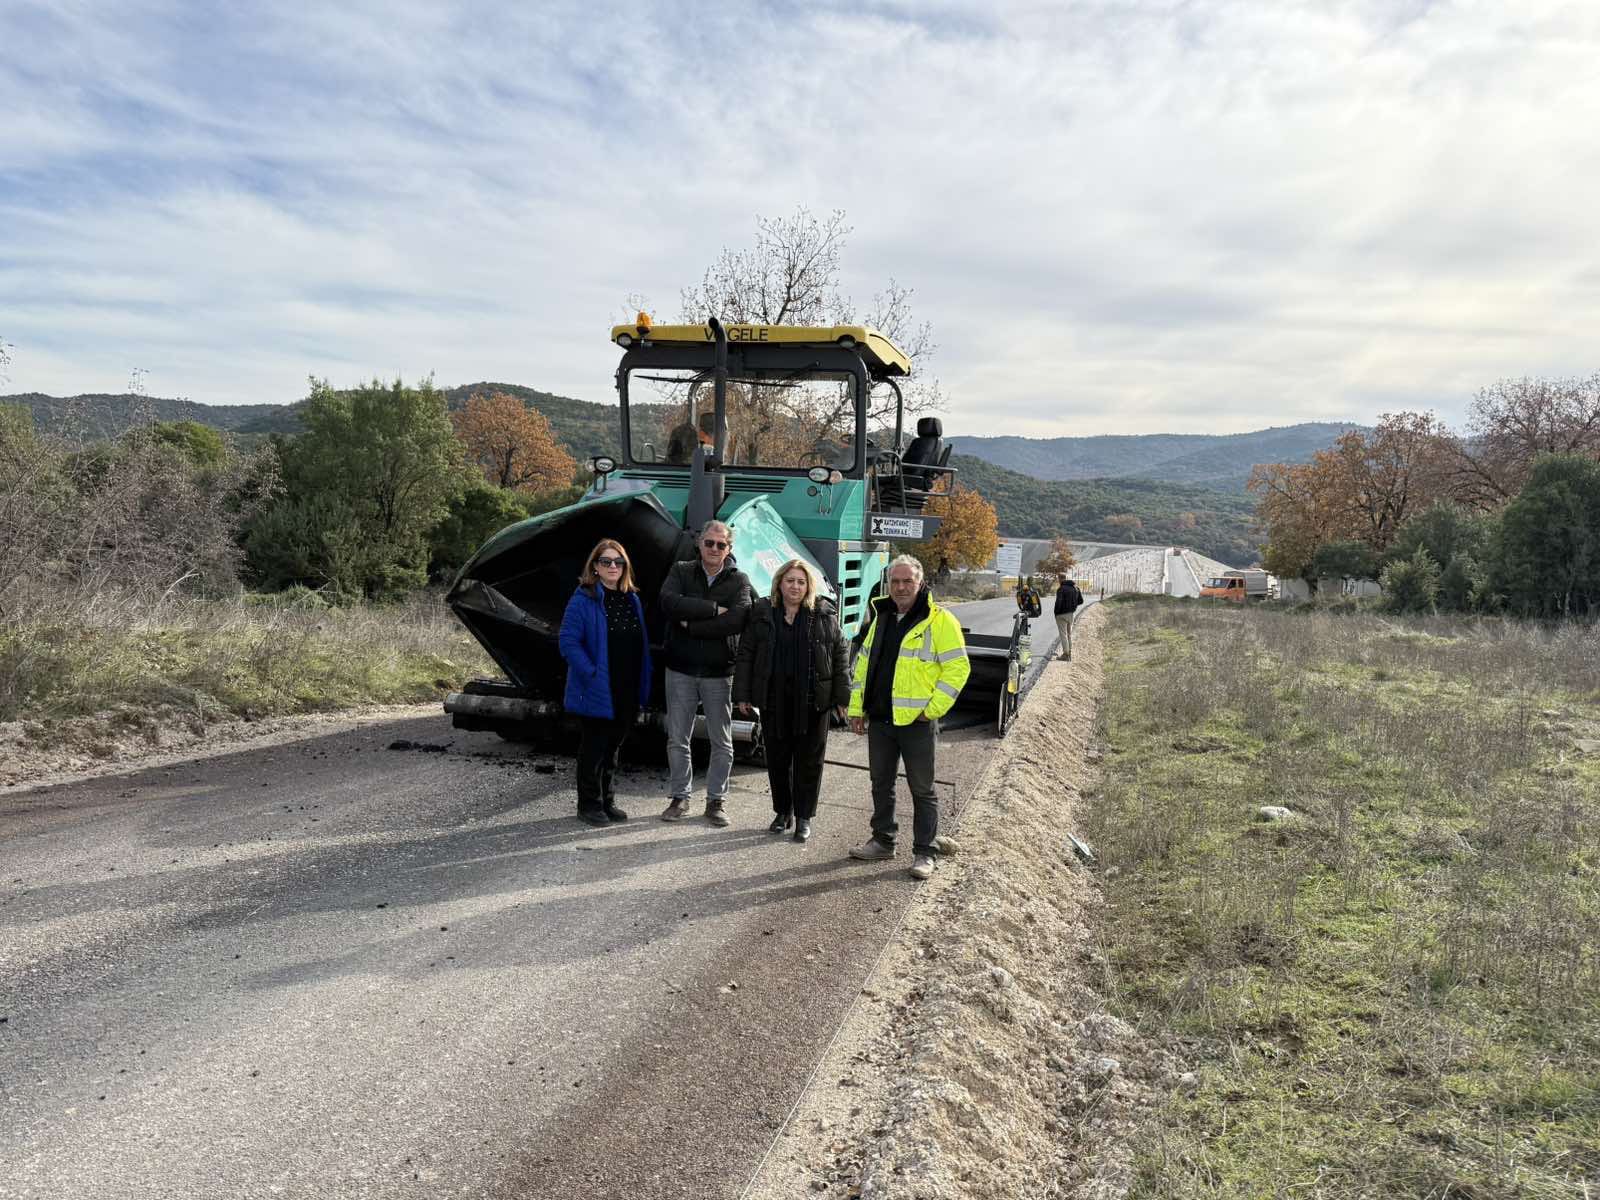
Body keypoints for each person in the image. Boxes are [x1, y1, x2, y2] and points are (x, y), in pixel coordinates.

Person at [846, 555, 970, 880]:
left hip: (917, 722)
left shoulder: (939, 620)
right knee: (880, 783)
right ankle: (883, 841)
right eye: (895, 581)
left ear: (920, 582)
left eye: (907, 581)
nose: (901, 587)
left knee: (922, 789)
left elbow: (958, 668)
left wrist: (932, 709)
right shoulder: (882, 617)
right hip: (881, 720)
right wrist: (857, 709)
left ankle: (925, 852)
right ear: (889, 584)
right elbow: (863, 666)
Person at [733, 560, 849, 843]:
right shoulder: (763, 614)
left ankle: (804, 818)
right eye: (790, 581)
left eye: (801, 582)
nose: (795, 587)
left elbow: (840, 657)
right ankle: (783, 812)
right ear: (779, 584)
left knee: (810, 763)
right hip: (774, 702)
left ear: (808, 586)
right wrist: (743, 694)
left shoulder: (823, 615)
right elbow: (746, 653)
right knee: (777, 761)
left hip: (813, 703)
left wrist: (842, 698)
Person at [658, 519, 752, 825]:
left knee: (721, 741)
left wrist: (691, 624)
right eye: (709, 543)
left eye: (720, 544)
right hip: (680, 669)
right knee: (677, 738)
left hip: (719, 672)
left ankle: (716, 801)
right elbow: (669, 603)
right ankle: (680, 797)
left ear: (729, 548)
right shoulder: (681, 571)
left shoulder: (739, 580)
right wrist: (713, 609)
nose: (714, 548)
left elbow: (737, 620)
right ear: (699, 544)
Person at [557, 539, 653, 827]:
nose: (613, 566)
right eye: (606, 561)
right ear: (595, 567)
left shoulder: (631, 599)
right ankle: (589, 805)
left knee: (613, 748)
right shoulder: (583, 599)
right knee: (594, 748)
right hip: (598, 686)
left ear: (625, 567)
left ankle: (607, 801)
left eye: (618, 562)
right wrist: (591, 672)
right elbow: (568, 642)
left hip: (627, 685)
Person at [1054, 574, 1084, 661]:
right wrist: (1073, 606)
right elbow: (1081, 601)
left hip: (1061, 615)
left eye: (1058, 579)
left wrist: (1056, 613)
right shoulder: (1076, 588)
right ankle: (1069, 653)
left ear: (1060, 579)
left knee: (1063, 634)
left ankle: (1065, 655)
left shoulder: (1061, 589)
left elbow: (1058, 603)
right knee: (1069, 634)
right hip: (1071, 614)